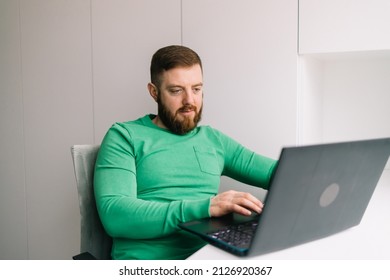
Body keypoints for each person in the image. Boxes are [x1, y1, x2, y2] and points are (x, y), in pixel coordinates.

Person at [94, 45, 277, 260]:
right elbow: (116, 216)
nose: (190, 100)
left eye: (196, 89)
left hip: (212, 261)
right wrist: (206, 207)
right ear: (154, 92)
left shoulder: (213, 140)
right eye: (176, 90)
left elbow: (282, 173)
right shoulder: (125, 136)